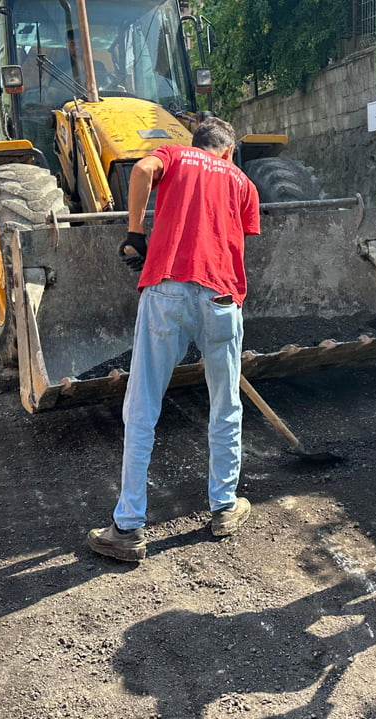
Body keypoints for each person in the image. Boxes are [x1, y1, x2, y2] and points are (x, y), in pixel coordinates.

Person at [87, 117, 261, 562]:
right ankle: (224, 506)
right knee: (225, 404)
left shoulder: (175, 154)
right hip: (222, 297)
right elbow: (235, 237)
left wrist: (135, 234)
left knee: (143, 404)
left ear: (198, 144)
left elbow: (142, 172)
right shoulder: (242, 180)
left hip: (166, 289)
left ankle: (127, 526)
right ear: (228, 150)